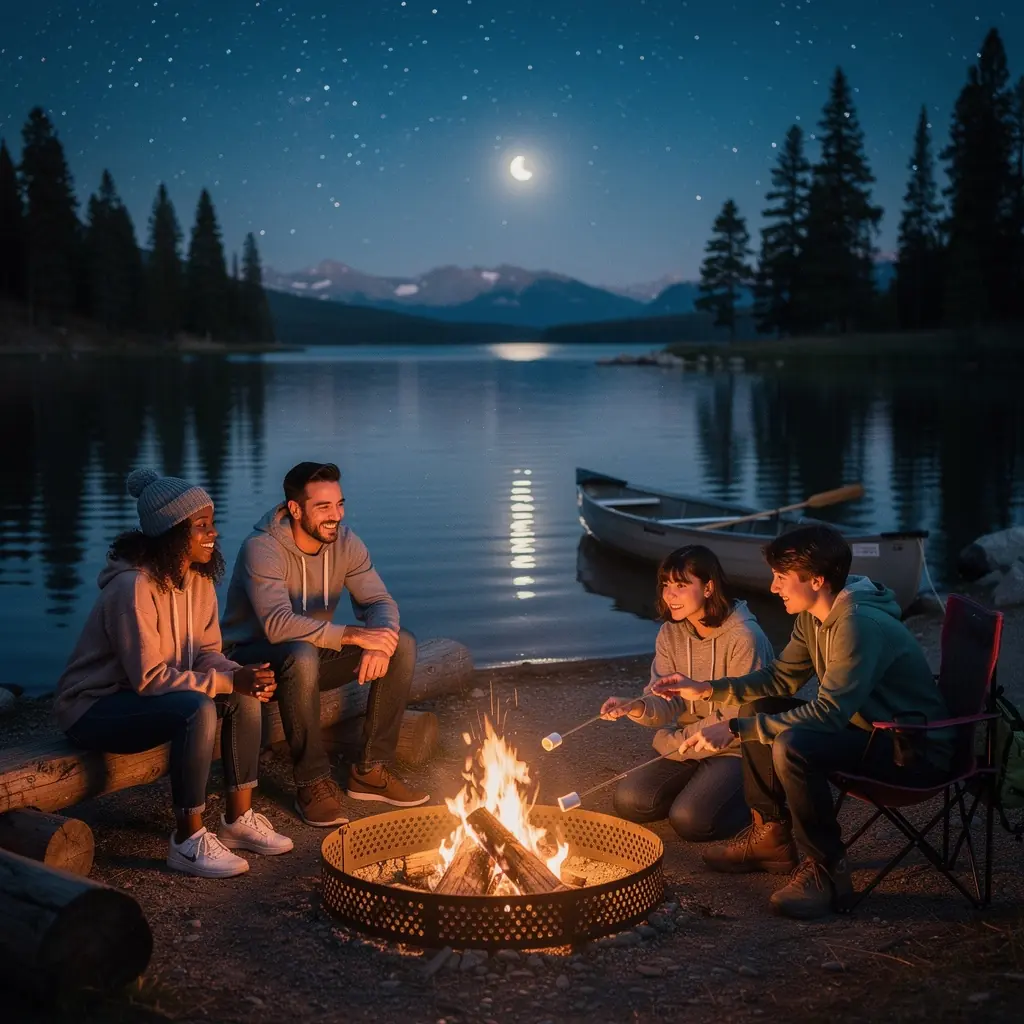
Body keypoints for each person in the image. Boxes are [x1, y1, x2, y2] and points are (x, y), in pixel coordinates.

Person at [652, 524, 954, 919]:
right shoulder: (815, 615)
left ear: (816, 580)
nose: (773, 586)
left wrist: (734, 730)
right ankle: (770, 836)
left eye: (781, 577)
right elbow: (780, 679)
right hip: (871, 730)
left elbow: (828, 712)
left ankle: (827, 872)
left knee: (794, 745)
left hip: (912, 749)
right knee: (760, 707)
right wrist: (707, 688)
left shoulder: (858, 624)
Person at [55, 469, 294, 879]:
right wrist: (225, 681)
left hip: (144, 700)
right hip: (94, 708)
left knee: (241, 691)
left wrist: (238, 675)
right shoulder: (132, 589)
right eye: (200, 526)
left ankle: (238, 820)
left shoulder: (197, 581)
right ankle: (186, 839)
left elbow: (205, 653)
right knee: (197, 709)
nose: (212, 533)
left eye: (211, 522)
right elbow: (149, 677)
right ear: (170, 532)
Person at [221, 461, 427, 827]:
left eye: (339, 504)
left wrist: (378, 643)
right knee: (301, 654)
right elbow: (277, 625)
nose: (336, 516)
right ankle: (312, 783)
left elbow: (380, 603)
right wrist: (352, 635)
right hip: (253, 663)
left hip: (311, 655)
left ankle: (371, 772)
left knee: (403, 644)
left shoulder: (345, 543)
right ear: (295, 509)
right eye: (324, 507)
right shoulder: (261, 548)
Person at [600, 545, 775, 842]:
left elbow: (741, 714)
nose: (670, 595)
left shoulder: (745, 637)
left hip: (736, 746)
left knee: (691, 821)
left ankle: (766, 799)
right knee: (631, 801)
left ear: (708, 587)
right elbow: (666, 698)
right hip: (686, 745)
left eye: (681, 585)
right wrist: (636, 707)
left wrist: (675, 742)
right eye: (667, 584)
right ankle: (703, 786)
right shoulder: (671, 632)